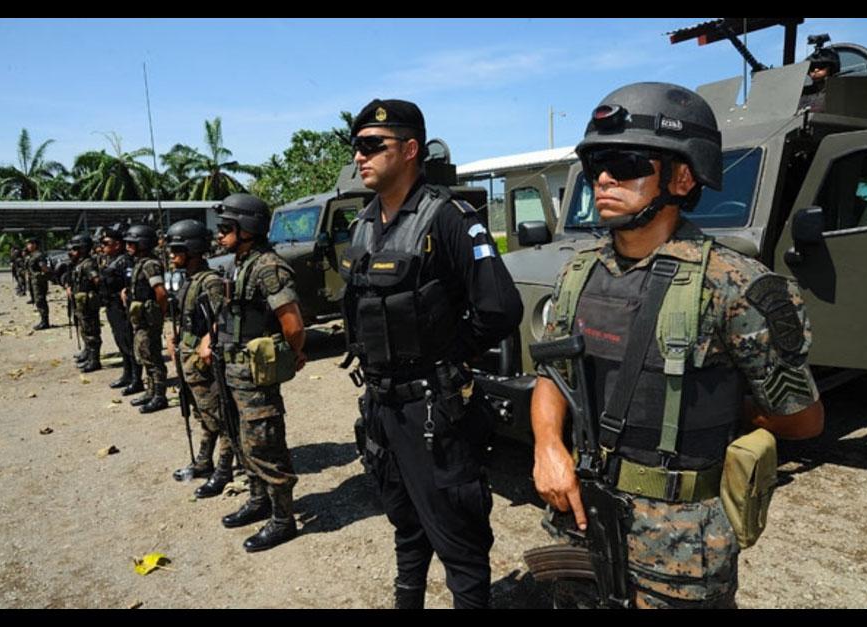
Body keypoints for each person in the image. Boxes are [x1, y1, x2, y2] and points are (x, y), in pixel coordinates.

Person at [531, 82, 825, 609]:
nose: (602, 178)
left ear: (682, 176)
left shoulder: (734, 284)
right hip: (581, 515)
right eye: (597, 161)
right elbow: (553, 379)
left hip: (682, 542)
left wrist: (711, 410)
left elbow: (802, 419)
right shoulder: (578, 275)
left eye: (624, 164)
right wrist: (548, 446)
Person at [341, 98, 523, 609]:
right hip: (382, 409)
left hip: (433, 413)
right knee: (406, 526)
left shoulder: (448, 219)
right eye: (357, 147)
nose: (361, 156)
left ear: (411, 149)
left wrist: (450, 357)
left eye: (373, 146)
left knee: (459, 541)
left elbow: (501, 307)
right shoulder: (364, 225)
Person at [199, 193, 306, 553]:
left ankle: (282, 518)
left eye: (227, 228)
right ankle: (258, 499)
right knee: (241, 439)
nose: (220, 235)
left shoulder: (267, 267)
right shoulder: (238, 265)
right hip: (231, 369)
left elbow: (291, 322)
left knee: (265, 444)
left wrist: (295, 352)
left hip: (255, 375)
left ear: (248, 229)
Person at [165, 219, 234, 497]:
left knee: (221, 416)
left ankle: (224, 469)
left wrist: (208, 340)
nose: (171, 255)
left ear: (192, 249)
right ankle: (204, 461)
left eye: (177, 249)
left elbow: (224, 317)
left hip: (205, 362)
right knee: (204, 415)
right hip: (188, 359)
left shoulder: (211, 281)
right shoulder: (189, 280)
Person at [122, 224, 169, 414]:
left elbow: (161, 293)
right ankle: (150, 391)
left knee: (152, 357)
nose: (128, 247)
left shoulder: (150, 264)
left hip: (149, 320)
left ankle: (159, 395)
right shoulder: (141, 263)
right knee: (144, 354)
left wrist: (158, 315)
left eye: (132, 243)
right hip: (140, 318)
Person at [100, 223, 141, 394]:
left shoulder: (125, 261)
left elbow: (132, 284)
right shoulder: (110, 260)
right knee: (120, 342)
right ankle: (127, 374)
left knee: (129, 343)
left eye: (106, 243)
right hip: (112, 307)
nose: (102, 247)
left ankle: (136, 379)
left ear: (117, 244)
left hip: (123, 308)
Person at [67, 234, 103, 373]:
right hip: (81, 302)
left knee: (91, 332)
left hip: (88, 303)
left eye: (75, 249)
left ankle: (94, 360)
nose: (72, 252)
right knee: (84, 328)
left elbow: (96, 280)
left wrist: (94, 294)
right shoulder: (79, 263)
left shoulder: (88, 264)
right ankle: (88, 353)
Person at [799, 46, 840, 112]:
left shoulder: (838, 92)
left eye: (821, 66)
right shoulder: (803, 94)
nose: (816, 70)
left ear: (831, 69)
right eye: (812, 68)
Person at [25, 237, 50, 330]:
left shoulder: (38, 255)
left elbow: (44, 267)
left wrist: (45, 275)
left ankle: (45, 322)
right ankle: (43, 320)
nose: (27, 246)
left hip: (39, 281)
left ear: (34, 245)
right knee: (38, 300)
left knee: (40, 300)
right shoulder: (32, 255)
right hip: (35, 280)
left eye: (29, 244)